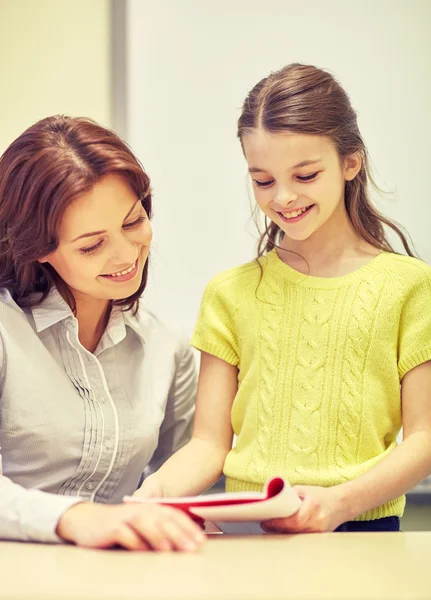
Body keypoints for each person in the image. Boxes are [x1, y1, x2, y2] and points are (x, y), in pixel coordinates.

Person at [136, 64, 431, 533]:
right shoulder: (229, 293)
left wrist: (339, 503)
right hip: (248, 532)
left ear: (350, 163)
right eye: (263, 180)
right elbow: (209, 445)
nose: (284, 197)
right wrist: (155, 494)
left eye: (306, 174)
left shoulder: (409, 287)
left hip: (360, 532)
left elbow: (424, 439)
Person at [0, 115, 205, 551]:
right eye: (92, 245)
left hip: (119, 577)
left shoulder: (167, 348)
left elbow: (182, 480)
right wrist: (73, 518)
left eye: (133, 223)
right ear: (37, 249)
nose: (127, 254)